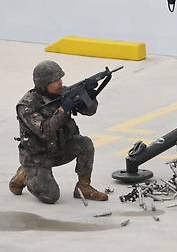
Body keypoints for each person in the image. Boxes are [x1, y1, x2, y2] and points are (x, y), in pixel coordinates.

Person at [8, 60, 108, 204]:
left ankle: (83, 187)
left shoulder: (63, 93)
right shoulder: (26, 106)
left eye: (60, 78)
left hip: (58, 148)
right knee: (51, 197)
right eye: (55, 81)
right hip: (38, 157)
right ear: (43, 83)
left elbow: (89, 111)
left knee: (85, 143)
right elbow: (44, 132)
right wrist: (63, 110)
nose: (60, 83)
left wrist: (89, 96)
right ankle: (25, 173)